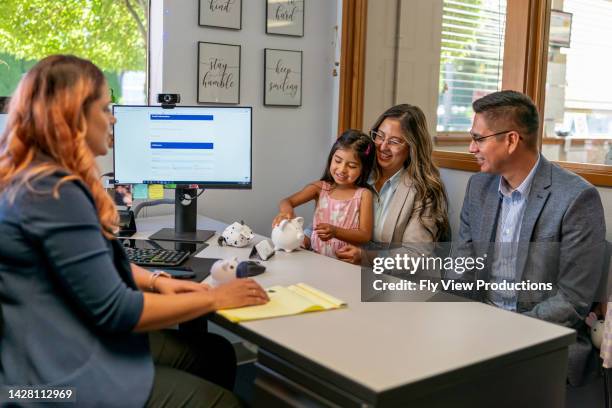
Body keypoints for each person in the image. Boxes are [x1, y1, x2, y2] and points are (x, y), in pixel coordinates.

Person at [0, 55, 269, 407]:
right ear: (73, 117)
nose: (113, 119)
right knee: (223, 402)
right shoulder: (54, 193)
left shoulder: (34, 178)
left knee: (214, 352)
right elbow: (117, 311)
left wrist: (157, 280)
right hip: (55, 373)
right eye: (104, 108)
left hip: (50, 340)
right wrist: (214, 298)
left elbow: (93, 265)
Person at [447, 90, 606, 386]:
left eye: (478, 138)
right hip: (479, 332)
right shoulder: (479, 188)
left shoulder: (576, 198)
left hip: (542, 342)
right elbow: (462, 268)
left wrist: (506, 332)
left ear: (510, 140)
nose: (471, 148)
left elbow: (572, 301)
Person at [334, 104, 450, 265]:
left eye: (394, 141)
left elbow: (416, 254)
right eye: (379, 136)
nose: (382, 146)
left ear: (412, 147)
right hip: (353, 274)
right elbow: (329, 215)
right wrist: (302, 236)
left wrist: (366, 257)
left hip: (404, 283)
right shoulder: (357, 173)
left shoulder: (425, 190)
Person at [273, 130, 374, 258]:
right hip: (316, 259)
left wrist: (336, 232)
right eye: (338, 161)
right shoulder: (320, 188)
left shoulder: (364, 195)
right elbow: (287, 201)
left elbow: (365, 235)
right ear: (331, 158)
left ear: (364, 169)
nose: (342, 169)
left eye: (352, 166)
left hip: (345, 265)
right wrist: (286, 213)